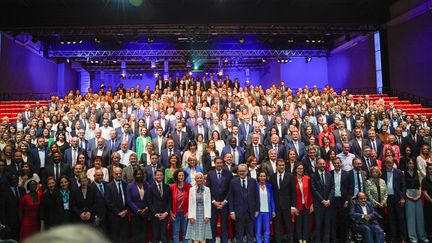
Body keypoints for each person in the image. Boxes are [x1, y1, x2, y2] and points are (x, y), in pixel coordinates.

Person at [229, 164, 259, 243]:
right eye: (240, 171)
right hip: (238, 213)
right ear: (237, 172)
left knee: (250, 235)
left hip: (250, 212)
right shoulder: (233, 182)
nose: (241, 173)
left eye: (243, 171)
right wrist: (232, 212)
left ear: (247, 171)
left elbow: (257, 197)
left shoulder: (253, 181)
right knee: (239, 235)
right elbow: (231, 198)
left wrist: (257, 210)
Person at [205, 156, 232, 243]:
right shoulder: (210, 174)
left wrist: (224, 201)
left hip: (224, 204)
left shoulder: (228, 174)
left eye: (221, 163)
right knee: (212, 225)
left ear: (223, 163)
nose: (219, 164)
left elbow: (230, 189)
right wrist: (213, 201)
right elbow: (207, 189)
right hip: (213, 204)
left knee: (224, 226)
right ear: (214, 164)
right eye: (217, 163)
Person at [269, 158, 296, 243]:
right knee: (277, 227)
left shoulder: (290, 176)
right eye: (279, 165)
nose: (281, 167)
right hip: (276, 207)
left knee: (288, 227)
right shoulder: (272, 177)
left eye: (283, 165)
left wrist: (293, 206)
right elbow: (271, 193)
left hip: (287, 206)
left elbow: (293, 193)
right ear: (276, 166)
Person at [381, 156, 407, 242]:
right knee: (391, 218)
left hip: (398, 198)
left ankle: (403, 238)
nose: (389, 164)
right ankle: (393, 237)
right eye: (387, 163)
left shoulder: (399, 172)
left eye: (391, 163)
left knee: (401, 218)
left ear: (393, 163)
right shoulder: (382, 173)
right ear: (385, 164)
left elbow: (403, 186)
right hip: (388, 198)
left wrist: (403, 197)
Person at [404, 159, 429, 243]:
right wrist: (408, 196)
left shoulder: (418, 173)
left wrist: (418, 195)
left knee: (420, 217)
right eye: (410, 163)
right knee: (411, 218)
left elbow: (421, 185)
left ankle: (422, 236)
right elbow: (403, 186)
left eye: (413, 163)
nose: (411, 165)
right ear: (407, 164)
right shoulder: (403, 173)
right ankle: (413, 238)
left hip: (418, 194)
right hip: (408, 195)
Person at [311, 158, 334, 243]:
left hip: (328, 204)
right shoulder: (313, 175)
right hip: (319, 204)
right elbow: (314, 190)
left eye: (324, 163)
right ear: (317, 165)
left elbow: (332, 188)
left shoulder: (329, 175)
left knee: (327, 225)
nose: (322, 165)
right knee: (318, 225)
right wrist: (323, 201)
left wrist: (328, 200)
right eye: (320, 164)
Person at [185, 172, 212, 242]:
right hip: (194, 214)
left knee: (203, 235)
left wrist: (208, 216)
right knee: (195, 236)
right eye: (197, 178)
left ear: (203, 179)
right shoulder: (191, 189)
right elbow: (190, 204)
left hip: (204, 213)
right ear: (195, 179)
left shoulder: (207, 189)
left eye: (201, 178)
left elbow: (208, 203)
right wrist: (191, 216)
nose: (199, 179)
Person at [147, 169, 172, 243]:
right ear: (155, 176)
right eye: (157, 175)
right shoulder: (150, 187)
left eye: (161, 175)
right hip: (155, 215)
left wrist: (166, 213)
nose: (159, 176)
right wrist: (155, 213)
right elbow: (149, 202)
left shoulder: (167, 187)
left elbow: (169, 201)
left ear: (163, 176)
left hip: (165, 215)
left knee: (164, 234)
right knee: (155, 235)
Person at [329, 157, 350, 242]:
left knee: (343, 221)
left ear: (341, 163)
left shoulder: (346, 174)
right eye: (335, 163)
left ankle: (342, 239)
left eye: (338, 163)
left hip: (343, 200)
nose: (337, 164)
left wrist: (347, 200)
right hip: (333, 200)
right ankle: (334, 239)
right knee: (333, 221)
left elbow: (349, 188)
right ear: (333, 164)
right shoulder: (329, 174)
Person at [0, 173, 26, 240]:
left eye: (16, 179)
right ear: (9, 181)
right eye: (12, 179)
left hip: (22, 222)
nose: (15, 181)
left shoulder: (22, 190)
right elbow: (2, 210)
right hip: (10, 224)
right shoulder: (4, 192)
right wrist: (5, 225)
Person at [126, 168, 149, 243]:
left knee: (144, 233)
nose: (139, 175)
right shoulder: (130, 186)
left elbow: (149, 198)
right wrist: (137, 210)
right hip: (135, 214)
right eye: (137, 174)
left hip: (145, 213)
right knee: (136, 233)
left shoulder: (146, 184)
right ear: (134, 175)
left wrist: (146, 208)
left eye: (140, 174)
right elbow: (129, 200)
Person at [105, 167, 128, 243]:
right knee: (115, 236)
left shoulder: (125, 184)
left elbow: (128, 199)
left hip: (125, 214)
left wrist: (125, 211)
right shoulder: (109, 186)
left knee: (124, 235)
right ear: (113, 174)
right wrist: (118, 212)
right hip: (114, 215)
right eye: (116, 174)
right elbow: (108, 201)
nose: (118, 175)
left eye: (120, 173)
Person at [293, 163, 313, 243]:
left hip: (307, 205)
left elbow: (311, 192)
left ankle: (305, 239)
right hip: (297, 206)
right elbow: (292, 194)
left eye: (301, 168)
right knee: (298, 223)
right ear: (296, 170)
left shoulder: (307, 178)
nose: (300, 170)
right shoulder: (293, 179)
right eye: (299, 168)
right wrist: (293, 207)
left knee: (306, 223)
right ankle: (299, 239)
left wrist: (312, 204)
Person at [170, 170, 191, 243]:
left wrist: (188, 211)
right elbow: (169, 201)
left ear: (184, 176)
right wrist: (170, 212)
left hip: (185, 213)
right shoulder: (172, 187)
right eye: (179, 175)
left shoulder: (189, 186)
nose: (181, 177)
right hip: (175, 213)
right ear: (177, 176)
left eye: (182, 175)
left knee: (185, 233)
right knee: (176, 233)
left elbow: (192, 201)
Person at [255, 171, 276, 243]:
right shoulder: (255, 186)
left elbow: (272, 199)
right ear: (258, 177)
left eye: (264, 176)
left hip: (267, 211)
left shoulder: (269, 186)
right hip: (258, 212)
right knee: (258, 230)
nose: (262, 178)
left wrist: (273, 210)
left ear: (266, 177)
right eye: (261, 176)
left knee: (267, 230)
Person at [422, 164, 432, 237]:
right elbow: (424, 193)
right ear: (427, 170)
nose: (431, 170)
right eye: (429, 169)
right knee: (429, 219)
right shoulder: (425, 179)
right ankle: (429, 234)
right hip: (428, 203)